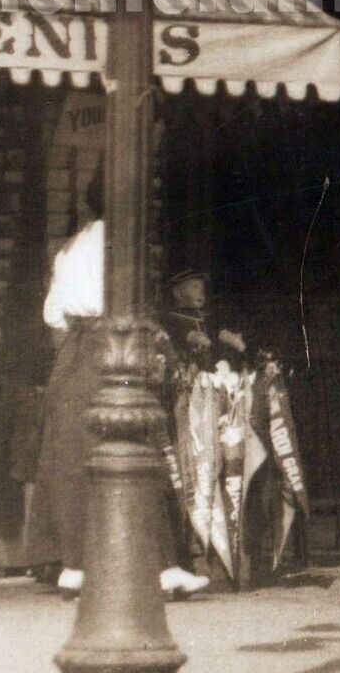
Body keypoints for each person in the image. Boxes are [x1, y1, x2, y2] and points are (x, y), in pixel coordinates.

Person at [26, 169, 208, 599]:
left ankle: (75, 565)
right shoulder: (124, 246)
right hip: (112, 347)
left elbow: (53, 314)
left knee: (72, 459)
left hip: (73, 353)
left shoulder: (69, 247)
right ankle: (159, 568)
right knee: (137, 450)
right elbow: (130, 306)